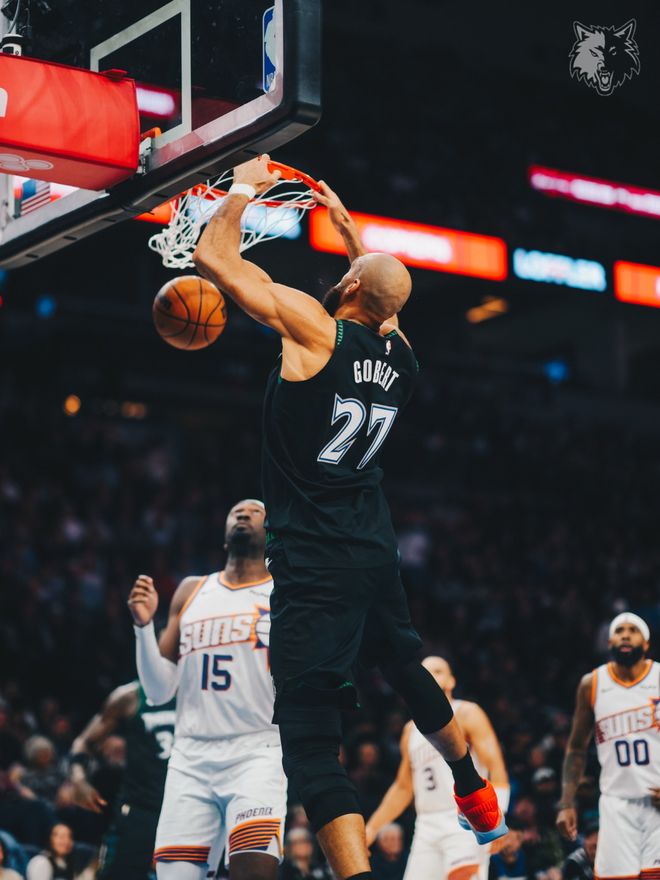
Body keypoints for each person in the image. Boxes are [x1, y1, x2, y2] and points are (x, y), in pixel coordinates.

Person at [192, 155, 507, 880]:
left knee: (307, 740)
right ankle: (473, 786)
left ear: (353, 286)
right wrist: (347, 231)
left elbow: (214, 257)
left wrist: (243, 189)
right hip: (372, 546)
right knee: (404, 663)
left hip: (315, 558)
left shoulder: (315, 330)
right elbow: (385, 301)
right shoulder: (403, 359)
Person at [127, 499, 285, 880]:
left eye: (255, 511)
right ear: (224, 534)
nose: (243, 514)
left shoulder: (284, 591)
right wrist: (143, 628)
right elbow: (159, 691)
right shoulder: (192, 590)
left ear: (272, 533)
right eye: (235, 511)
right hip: (191, 757)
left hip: (257, 751)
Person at [366, 656, 510, 880]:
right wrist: (372, 828)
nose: (431, 676)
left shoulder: (467, 712)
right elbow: (403, 787)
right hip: (426, 824)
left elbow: (496, 767)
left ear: (451, 681)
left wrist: (498, 817)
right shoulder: (409, 731)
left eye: (438, 671)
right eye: (426, 672)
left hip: (464, 818)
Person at [556, 612, 660, 880]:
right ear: (609, 642)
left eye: (633, 631)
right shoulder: (592, 684)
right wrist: (566, 803)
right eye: (619, 631)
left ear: (646, 643)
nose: (625, 635)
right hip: (616, 804)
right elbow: (576, 748)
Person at [67, 680, 176, 880]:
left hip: (185, 810)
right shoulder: (131, 696)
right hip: (139, 809)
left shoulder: (203, 694)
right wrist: (79, 779)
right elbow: (84, 741)